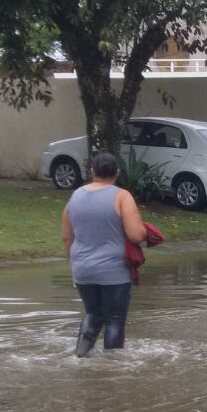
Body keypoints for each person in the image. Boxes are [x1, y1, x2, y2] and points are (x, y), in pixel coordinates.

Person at [61, 152, 148, 357]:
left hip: (82, 269)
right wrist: (147, 231)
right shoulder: (121, 196)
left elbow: (66, 237)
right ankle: (112, 366)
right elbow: (136, 235)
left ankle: (80, 356)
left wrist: (76, 262)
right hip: (114, 271)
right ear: (117, 172)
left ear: (92, 171)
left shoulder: (75, 196)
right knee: (114, 318)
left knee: (93, 313)